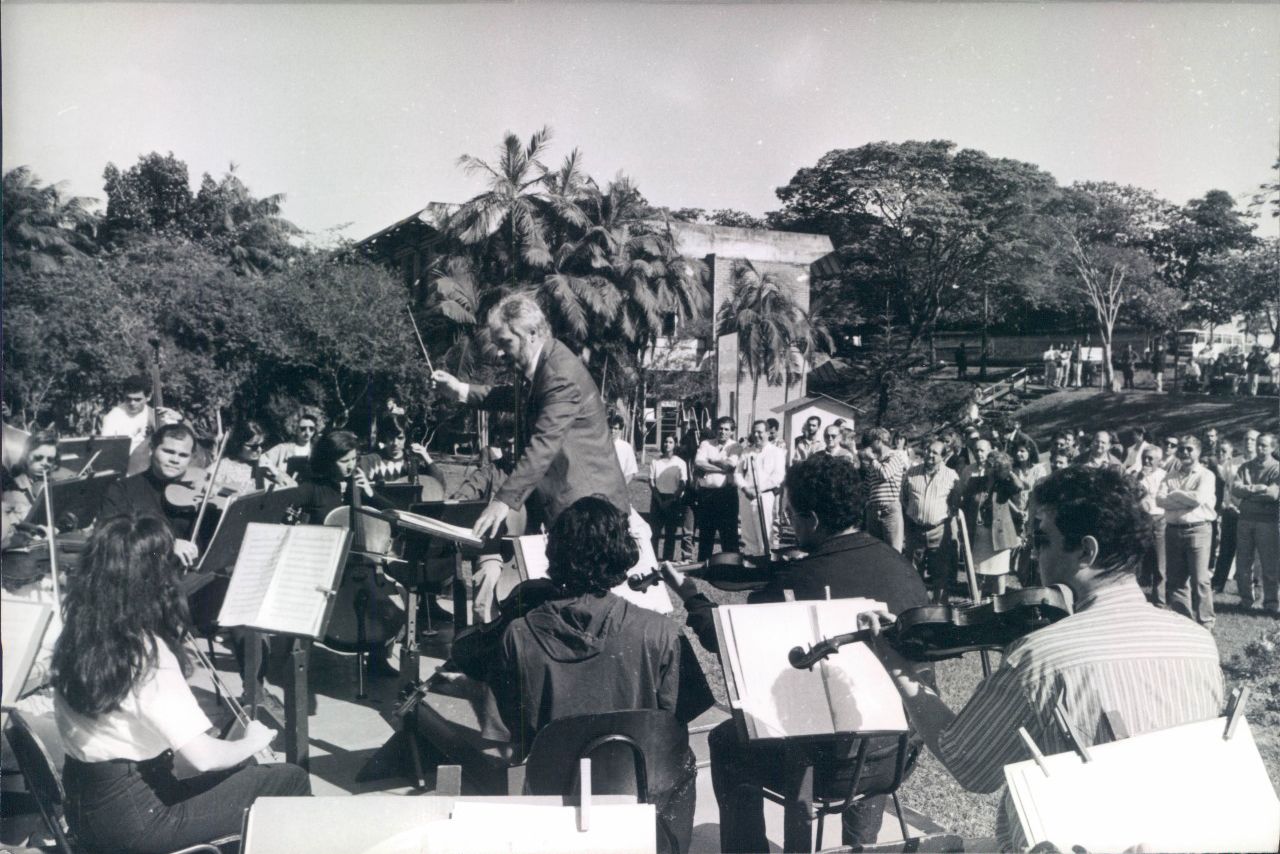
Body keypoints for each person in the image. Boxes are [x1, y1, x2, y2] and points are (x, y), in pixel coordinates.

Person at [860, 466, 1224, 853]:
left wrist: (907, 674)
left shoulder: (1042, 657)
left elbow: (968, 765)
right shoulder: (1199, 642)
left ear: (1086, 551)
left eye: (1041, 540)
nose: (1032, 552)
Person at [663, 452, 929, 851]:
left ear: (814, 521)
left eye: (791, 515)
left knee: (726, 740)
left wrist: (691, 596)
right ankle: (863, 845)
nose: (787, 523)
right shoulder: (902, 566)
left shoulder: (796, 581)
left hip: (822, 767)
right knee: (863, 719)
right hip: (896, 752)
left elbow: (728, 644)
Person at [452, 496, 710, 853]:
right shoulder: (661, 632)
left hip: (556, 802)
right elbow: (676, 725)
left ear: (554, 554)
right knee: (684, 761)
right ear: (622, 553)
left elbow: (512, 742)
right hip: (639, 794)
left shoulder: (519, 635)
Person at [51, 515, 310, 854]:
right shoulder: (144, 653)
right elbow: (203, 758)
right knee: (288, 778)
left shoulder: (75, 632)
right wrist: (253, 741)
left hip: (89, 806)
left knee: (240, 770)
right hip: (139, 820)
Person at [431, 294, 633, 539]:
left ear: (532, 334)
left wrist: (502, 501)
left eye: (504, 342)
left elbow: (543, 445)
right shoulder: (543, 366)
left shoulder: (559, 374)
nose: (498, 354)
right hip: (576, 509)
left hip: (593, 515)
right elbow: (511, 397)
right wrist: (458, 389)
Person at [98, 423, 202, 567]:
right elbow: (112, 538)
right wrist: (167, 544)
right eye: (168, 451)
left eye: (183, 455)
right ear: (152, 448)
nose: (175, 460)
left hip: (186, 572)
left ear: (192, 457)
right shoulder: (122, 489)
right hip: (140, 571)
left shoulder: (198, 493)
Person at [1156, 435, 1218, 629]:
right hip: (1173, 531)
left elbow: (1198, 499)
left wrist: (1174, 496)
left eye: (1189, 449)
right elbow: (1159, 501)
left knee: (1200, 580)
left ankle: (1206, 623)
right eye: (1181, 449)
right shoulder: (1169, 475)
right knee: (1176, 580)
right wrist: (1184, 499)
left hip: (1198, 531)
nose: (1184, 452)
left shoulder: (1206, 475)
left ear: (1198, 451)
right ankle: (1183, 623)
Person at [901, 439, 960, 603]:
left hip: (939, 530)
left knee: (940, 571)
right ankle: (916, 604)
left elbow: (955, 503)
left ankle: (940, 605)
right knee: (913, 570)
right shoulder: (912, 472)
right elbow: (904, 498)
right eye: (928, 450)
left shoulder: (951, 475)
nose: (930, 455)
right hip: (915, 530)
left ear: (943, 456)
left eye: (935, 452)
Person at [1232, 433, 1279, 612]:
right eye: (1258, 445)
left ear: (1273, 448)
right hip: (1244, 520)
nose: (1259, 448)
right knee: (1243, 563)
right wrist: (1257, 488)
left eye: (1264, 446)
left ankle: (1271, 602)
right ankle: (1246, 600)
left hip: (1268, 523)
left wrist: (1247, 492)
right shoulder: (1245, 467)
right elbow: (1235, 489)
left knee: (1269, 564)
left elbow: (1273, 494)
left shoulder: (1276, 469)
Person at [357, 412, 444, 492]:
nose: (395, 443)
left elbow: (439, 486)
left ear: (406, 439)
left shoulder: (413, 462)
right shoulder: (371, 460)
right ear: (384, 437)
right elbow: (358, 489)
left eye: (400, 438)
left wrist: (427, 459)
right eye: (391, 438)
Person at [735, 420, 785, 558]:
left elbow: (777, 477)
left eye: (760, 432)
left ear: (768, 433)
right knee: (747, 533)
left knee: (765, 532)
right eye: (754, 432)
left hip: (765, 497)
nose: (756, 435)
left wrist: (758, 490)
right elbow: (738, 473)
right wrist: (745, 488)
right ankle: (751, 563)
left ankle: (765, 563)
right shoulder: (746, 452)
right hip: (746, 496)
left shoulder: (777, 452)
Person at [694, 416, 741, 559]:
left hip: (727, 494)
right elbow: (698, 463)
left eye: (726, 429)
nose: (722, 432)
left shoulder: (736, 446)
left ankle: (731, 566)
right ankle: (703, 565)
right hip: (707, 494)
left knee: (729, 533)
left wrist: (712, 460)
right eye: (720, 428)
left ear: (732, 432)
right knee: (706, 532)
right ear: (716, 429)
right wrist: (722, 469)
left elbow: (730, 464)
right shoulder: (706, 444)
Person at [859, 427, 908, 552]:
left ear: (879, 440)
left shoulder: (895, 456)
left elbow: (885, 473)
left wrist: (873, 460)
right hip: (873, 512)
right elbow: (867, 486)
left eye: (871, 442)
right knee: (876, 552)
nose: (869, 446)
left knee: (893, 553)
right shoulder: (874, 462)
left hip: (889, 511)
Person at [100, 375, 175, 454]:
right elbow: (106, 450)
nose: (132, 403)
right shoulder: (113, 417)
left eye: (137, 399)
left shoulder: (155, 414)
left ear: (148, 397)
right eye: (128, 398)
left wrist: (181, 419)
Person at [1136, 445, 1168, 607]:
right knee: (1136, 563)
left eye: (1150, 458)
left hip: (1159, 521)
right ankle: (1135, 600)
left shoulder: (1165, 476)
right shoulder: (1135, 476)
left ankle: (1159, 602)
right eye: (1144, 457)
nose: (1146, 461)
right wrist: (1138, 478)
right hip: (1140, 521)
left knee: (1159, 564)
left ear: (1159, 461)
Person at [648, 434, 688, 561]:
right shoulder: (655, 461)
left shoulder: (680, 463)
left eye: (670, 442)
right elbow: (651, 482)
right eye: (665, 441)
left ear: (675, 444)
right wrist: (660, 501)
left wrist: (671, 500)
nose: (667, 444)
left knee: (670, 533)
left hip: (673, 500)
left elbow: (682, 483)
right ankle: (652, 559)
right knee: (654, 532)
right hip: (657, 499)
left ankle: (667, 560)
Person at [1208, 440, 1238, 594]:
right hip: (1228, 511)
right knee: (1226, 548)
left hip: (1245, 510)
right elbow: (1224, 490)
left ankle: (1253, 586)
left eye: (1224, 451)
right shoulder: (1223, 466)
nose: (1221, 454)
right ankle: (1217, 584)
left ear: (1231, 451)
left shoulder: (1240, 464)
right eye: (1219, 451)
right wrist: (1226, 505)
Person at [261, 406, 324, 477]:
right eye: (303, 428)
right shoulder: (282, 449)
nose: (307, 432)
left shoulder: (318, 451)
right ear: (295, 428)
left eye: (311, 429)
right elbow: (262, 460)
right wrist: (276, 475)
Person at [608, 414, 638, 486]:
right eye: (610, 427)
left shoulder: (626, 447)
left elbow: (631, 471)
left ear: (620, 430)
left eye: (615, 428)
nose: (612, 431)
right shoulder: (600, 445)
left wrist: (623, 487)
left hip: (619, 487)